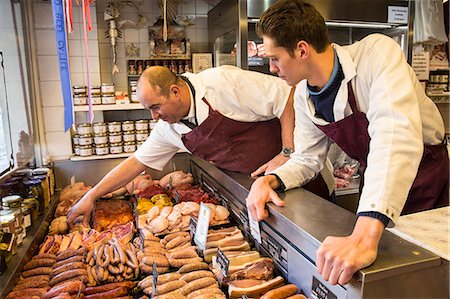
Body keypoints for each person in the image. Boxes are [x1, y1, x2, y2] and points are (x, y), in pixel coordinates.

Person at [246, 0, 449, 286]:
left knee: (422, 271)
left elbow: (395, 136)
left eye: (276, 58)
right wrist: (271, 181)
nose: (272, 68)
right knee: (381, 272)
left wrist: (364, 234)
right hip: (376, 177)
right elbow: (307, 159)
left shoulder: (377, 53)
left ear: (302, 50)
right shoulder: (304, 95)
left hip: (425, 174)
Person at [67, 65, 334, 226]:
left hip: (305, 182)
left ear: (174, 91)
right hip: (256, 191)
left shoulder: (222, 84)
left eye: (156, 107)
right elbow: (136, 163)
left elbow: (289, 95)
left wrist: (287, 152)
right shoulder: (169, 128)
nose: (154, 117)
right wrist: (90, 196)